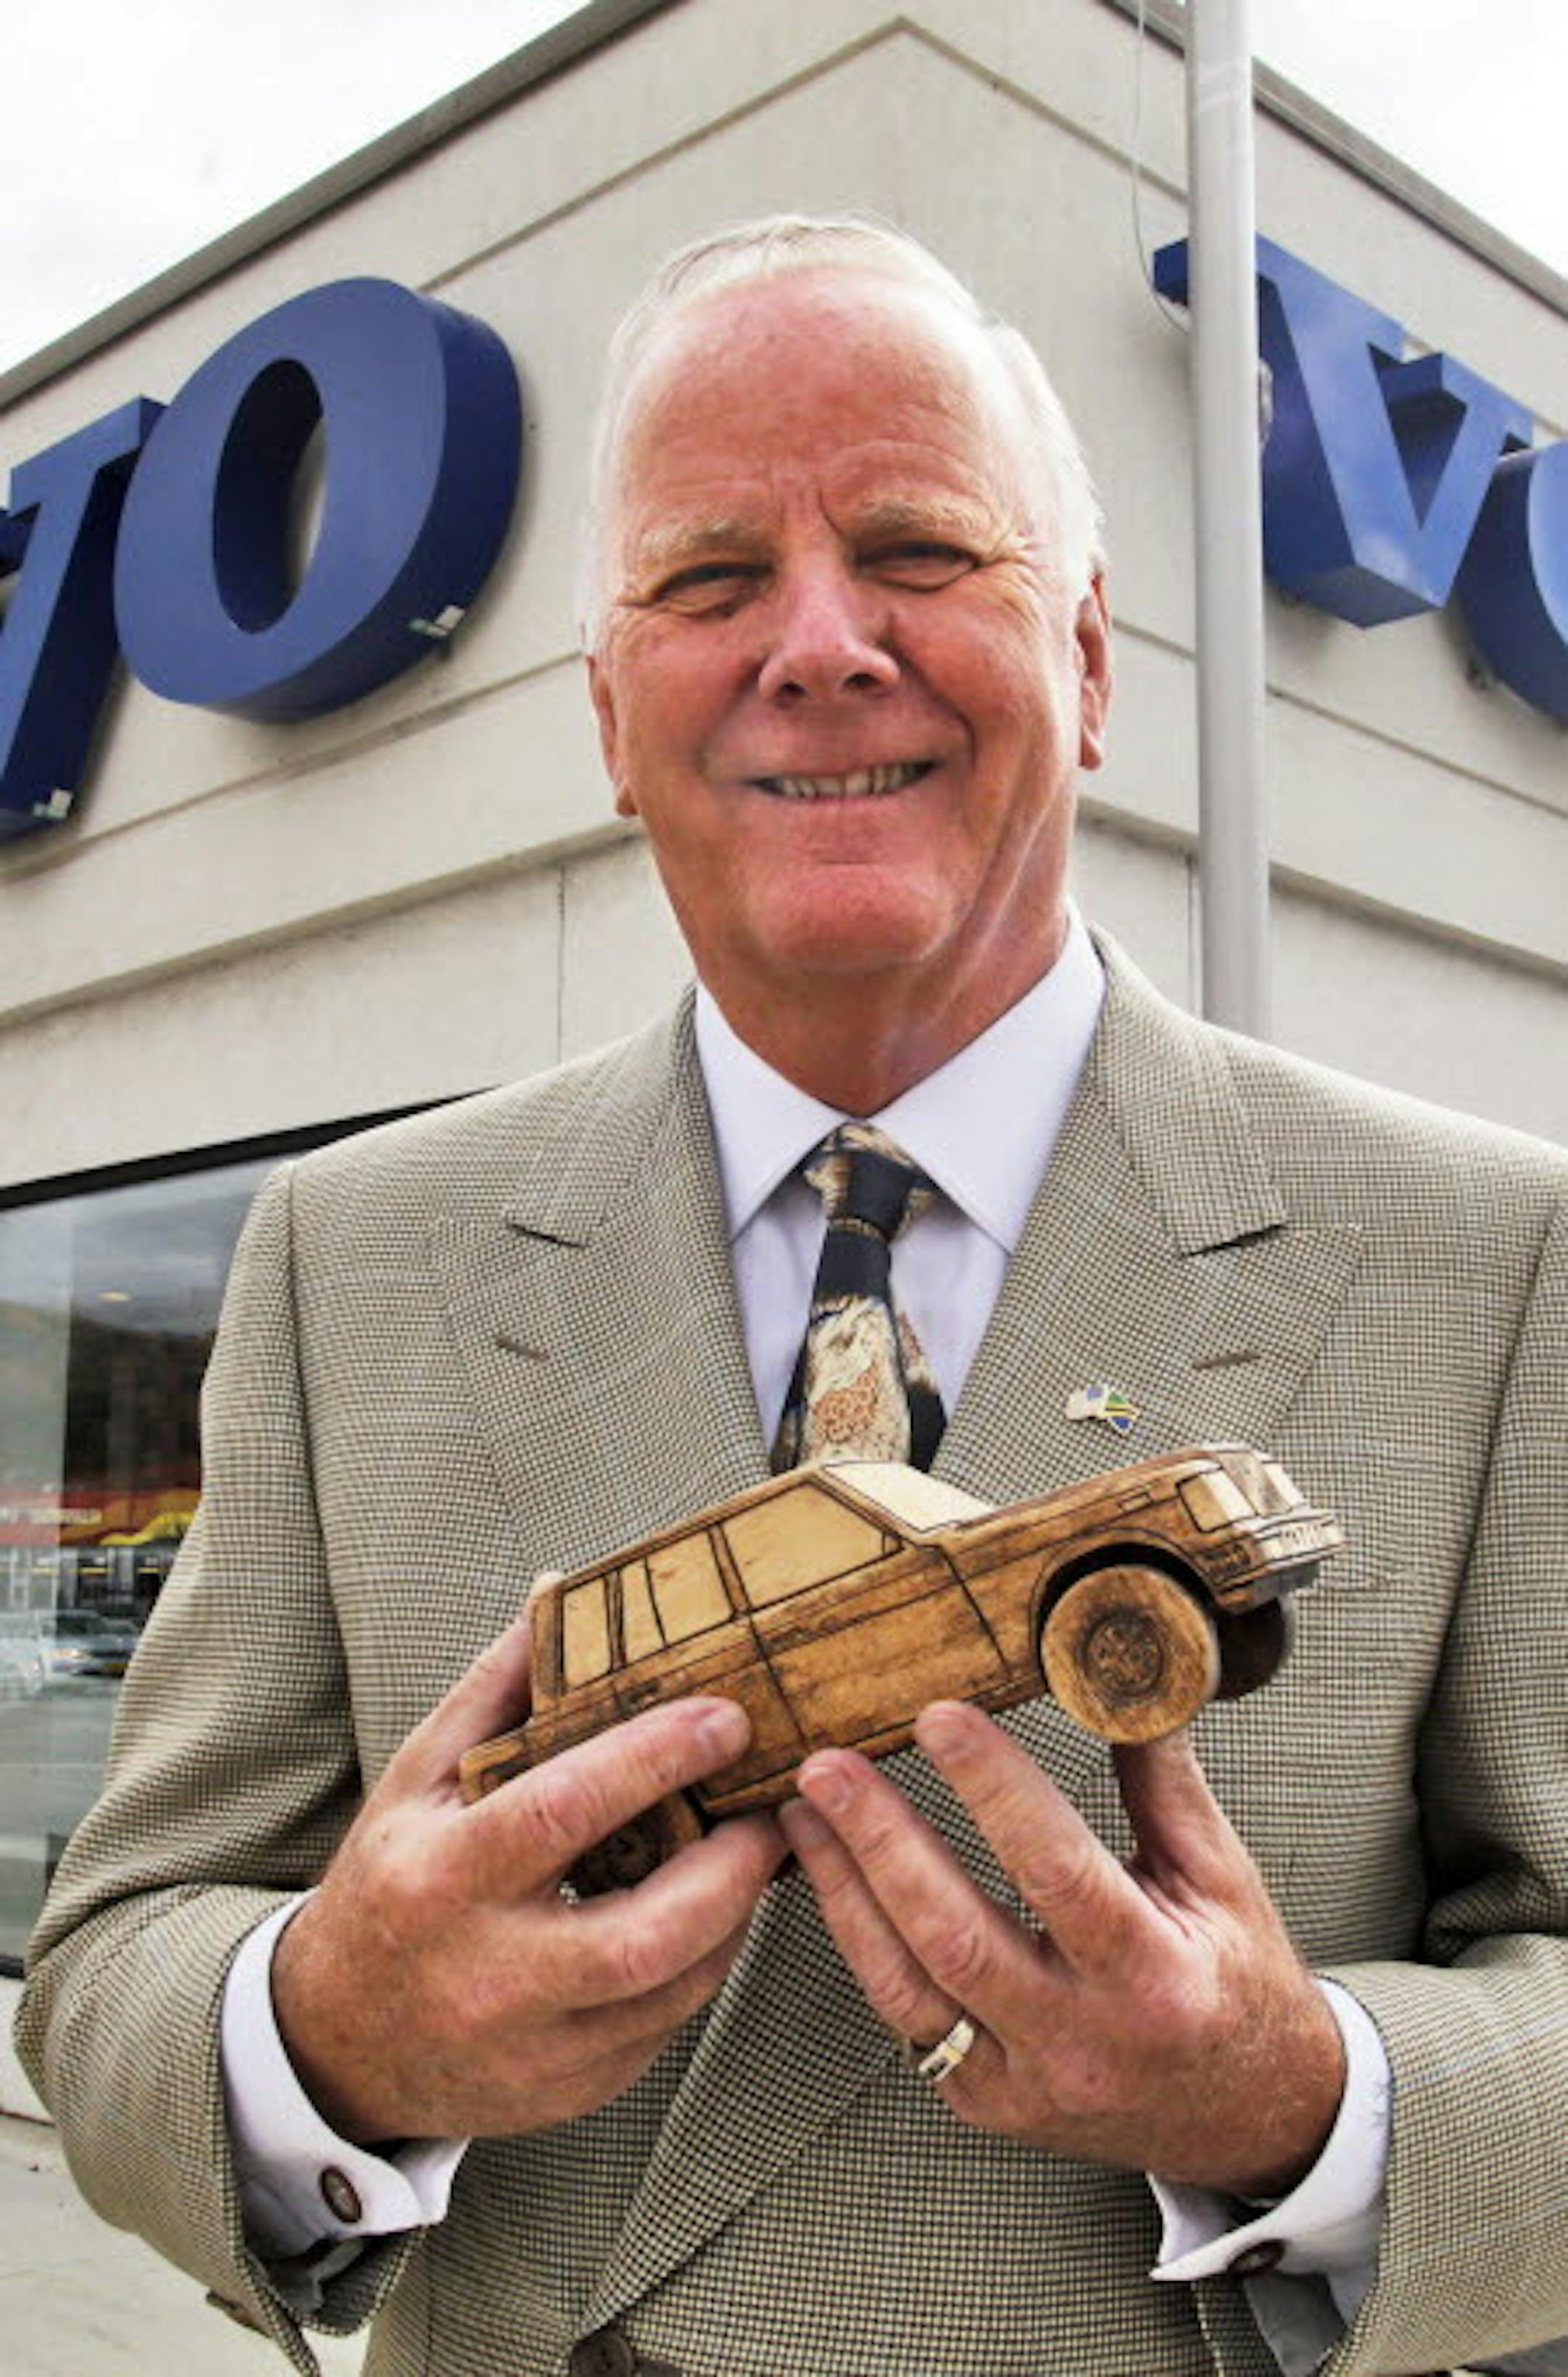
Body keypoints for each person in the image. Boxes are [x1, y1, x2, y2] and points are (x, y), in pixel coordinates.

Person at [17, 215, 1568, 2377]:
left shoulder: (1491, 1258)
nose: (822, 644)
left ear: (1096, 664)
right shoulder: (345, 1259)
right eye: (710, 578)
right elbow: (107, 1958)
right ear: (610, 722)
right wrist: (326, 2028)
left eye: (924, 549)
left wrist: (1299, 2099)